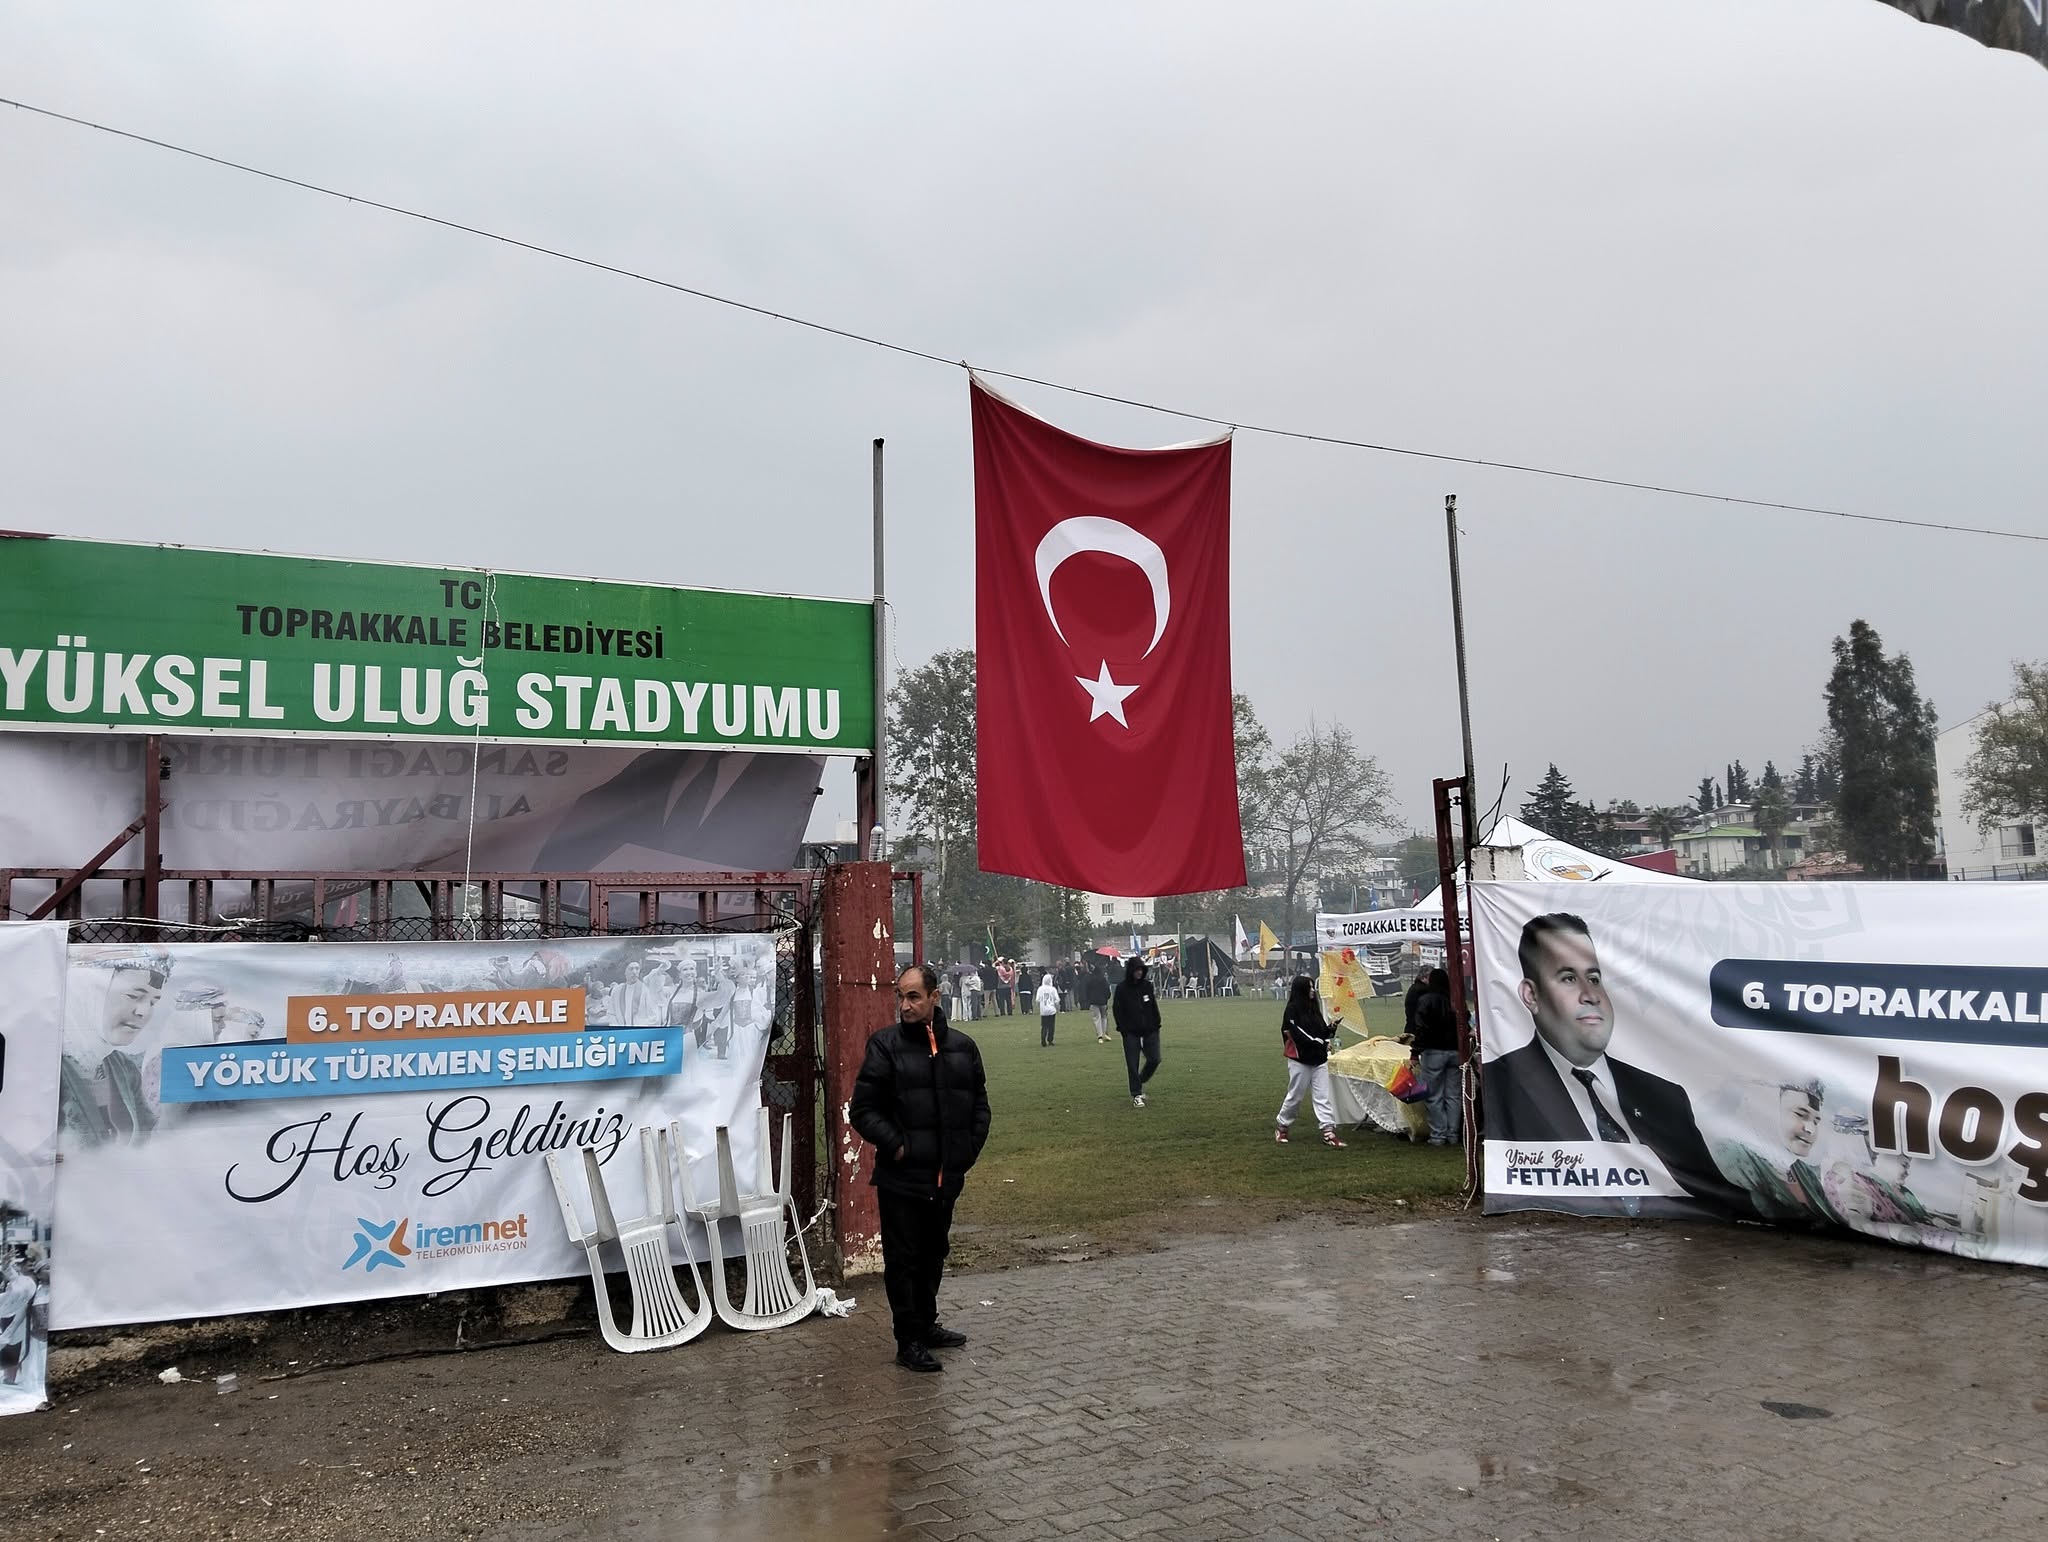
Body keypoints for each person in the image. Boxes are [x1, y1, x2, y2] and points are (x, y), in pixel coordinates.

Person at [1482, 913, 1752, 1216]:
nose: (1590, 995)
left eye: (1594, 978)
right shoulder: (1502, 1083)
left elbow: (1715, 1194)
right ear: (1531, 995)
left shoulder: (1665, 1096)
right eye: (1569, 978)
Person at [849, 964, 992, 1373]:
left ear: (935, 997)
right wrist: (897, 1146)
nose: (905, 1005)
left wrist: (966, 1150)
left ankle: (927, 1325)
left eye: (913, 996)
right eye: (900, 996)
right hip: (902, 1178)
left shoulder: (963, 1048)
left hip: (946, 1176)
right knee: (904, 1259)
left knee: (934, 1253)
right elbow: (863, 1109)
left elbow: (980, 1105)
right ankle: (907, 1339)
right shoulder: (885, 1046)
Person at [1273, 976, 1345, 1147]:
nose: (1313, 990)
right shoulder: (1291, 1010)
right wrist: (1318, 1042)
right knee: (1295, 1096)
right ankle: (1282, 1126)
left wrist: (1330, 1029)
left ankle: (1328, 1131)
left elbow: (1321, 1033)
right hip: (1300, 1060)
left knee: (1322, 1097)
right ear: (1301, 990)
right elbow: (1296, 1033)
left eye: (1313, 987)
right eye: (1309, 987)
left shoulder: (1314, 1010)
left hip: (1319, 1060)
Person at [1408, 968, 1462, 1147]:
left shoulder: (1426, 1000)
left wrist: (1415, 1052)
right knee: (1453, 1095)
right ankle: (1453, 1134)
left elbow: (1421, 1028)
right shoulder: (1456, 1001)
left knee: (1433, 1095)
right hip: (1456, 1052)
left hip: (1434, 1052)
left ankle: (1439, 1134)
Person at [1112, 956, 1163, 1108]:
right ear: (1131, 971)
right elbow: (1117, 1010)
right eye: (1137, 970)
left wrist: (1156, 1022)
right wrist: (1123, 1029)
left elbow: (1152, 1005)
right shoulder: (1122, 989)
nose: (1139, 972)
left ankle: (1140, 1080)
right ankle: (1136, 1094)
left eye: (1141, 969)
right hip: (1130, 1032)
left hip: (1150, 1029)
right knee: (1132, 1063)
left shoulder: (1147, 986)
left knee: (1155, 1059)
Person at [1085, 965, 1113, 1043]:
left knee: (1097, 1018)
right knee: (1104, 1017)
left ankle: (1099, 1036)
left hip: (1093, 1001)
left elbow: (1087, 990)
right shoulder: (1103, 979)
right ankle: (1105, 1033)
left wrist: (1088, 1000)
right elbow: (1107, 990)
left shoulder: (1090, 979)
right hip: (1103, 1001)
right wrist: (1107, 998)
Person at [1035, 970, 1062, 1047]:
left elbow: (1037, 1000)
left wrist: (1039, 1006)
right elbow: (1057, 1000)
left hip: (1043, 1010)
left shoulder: (1040, 989)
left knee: (1044, 1025)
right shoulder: (1053, 989)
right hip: (1051, 1010)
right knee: (1051, 1026)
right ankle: (1050, 1040)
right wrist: (1057, 1007)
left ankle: (1043, 1039)